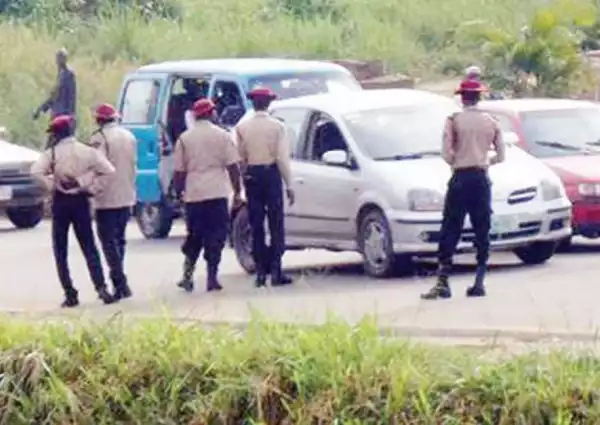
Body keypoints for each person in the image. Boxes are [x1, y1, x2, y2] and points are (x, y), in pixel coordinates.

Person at [421, 79, 506, 300]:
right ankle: (479, 281)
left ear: (462, 98)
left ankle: (443, 281)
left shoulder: (454, 120)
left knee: (451, 227)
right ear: (480, 97)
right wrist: (485, 161)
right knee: (482, 228)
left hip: (460, 177)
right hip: (480, 178)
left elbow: (446, 153)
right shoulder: (491, 121)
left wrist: (458, 160)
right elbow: (501, 155)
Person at [30, 115, 116, 308]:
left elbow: (35, 172)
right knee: (89, 247)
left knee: (60, 250)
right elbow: (109, 171)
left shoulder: (51, 153)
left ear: (56, 134)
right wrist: (89, 185)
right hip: (81, 201)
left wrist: (53, 185)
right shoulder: (87, 151)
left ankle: (70, 293)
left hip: (61, 202)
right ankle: (101, 288)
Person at [173, 98, 243, 292]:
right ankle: (212, 277)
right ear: (211, 114)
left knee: (194, 236)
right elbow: (233, 167)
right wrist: (237, 191)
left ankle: (187, 275)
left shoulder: (185, 138)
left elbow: (179, 171)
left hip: (194, 194)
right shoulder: (223, 136)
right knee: (216, 236)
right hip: (218, 192)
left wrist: (179, 194)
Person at [235, 87, 295, 288]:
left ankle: (261, 272)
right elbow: (282, 158)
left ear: (253, 104)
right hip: (271, 175)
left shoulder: (242, 128)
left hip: (253, 175)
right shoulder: (277, 127)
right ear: (269, 104)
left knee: (256, 224)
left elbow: (240, 158)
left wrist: (245, 178)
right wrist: (289, 184)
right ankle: (276, 270)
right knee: (276, 224)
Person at [89, 103, 137, 301]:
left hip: (106, 197)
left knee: (108, 243)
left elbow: (96, 166)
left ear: (99, 120)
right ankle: (120, 279)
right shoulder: (129, 136)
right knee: (119, 240)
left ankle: (120, 281)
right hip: (126, 193)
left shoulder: (99, 138)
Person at [33, 48, 77, 130]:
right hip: (61, 115)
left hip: (63, 116)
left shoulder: (67, 74)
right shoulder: (61, 74)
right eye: (58, 58)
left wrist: (41, 109)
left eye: (61, 58)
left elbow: (56, 95)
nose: (59, 61)